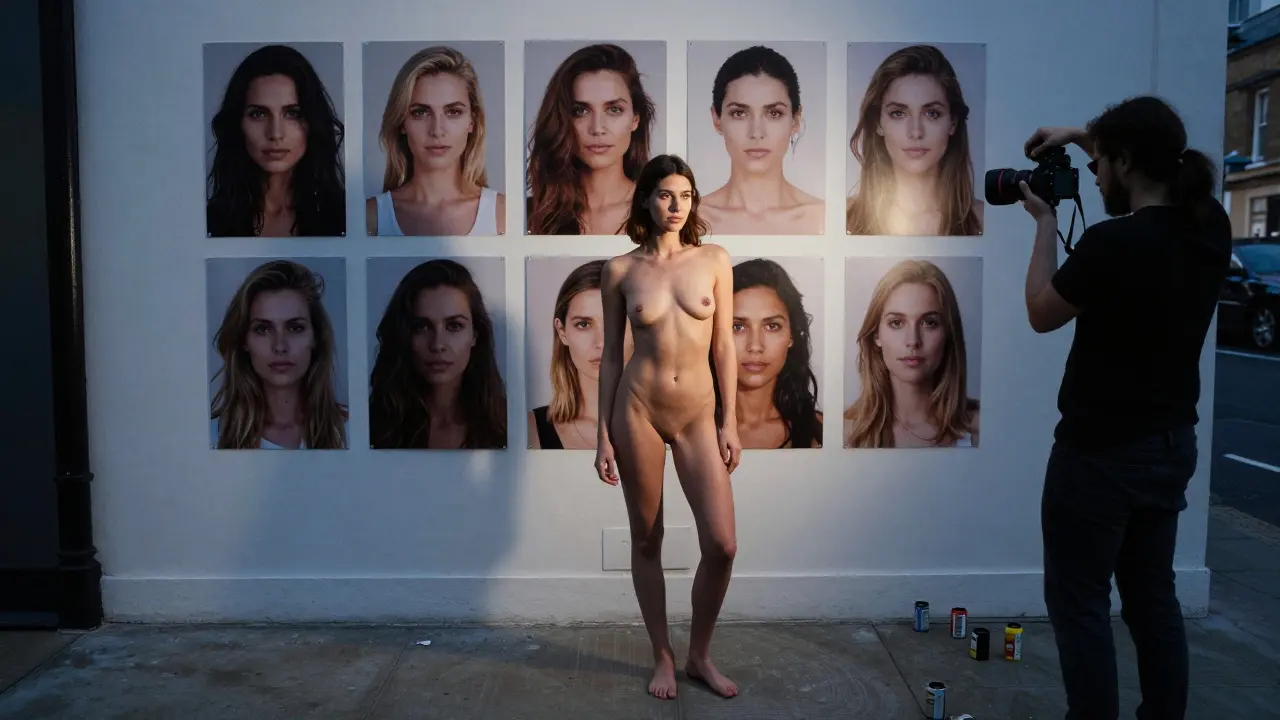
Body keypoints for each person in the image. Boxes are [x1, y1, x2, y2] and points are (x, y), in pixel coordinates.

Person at [1017, 95, 1232, 719]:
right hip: (1169, 447)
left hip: (1098, 454)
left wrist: (1044, 222)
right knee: (1152, 599)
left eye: (1102, 162)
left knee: (1080, 605)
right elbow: (1142, 160)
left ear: (1127, 161)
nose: (1094, 174)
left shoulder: (1112, 243)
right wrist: (1084, 135)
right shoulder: (1209, 226)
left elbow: (1040, 312)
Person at [595, 154, 742, 700]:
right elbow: (611, 357)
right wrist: (603, 433)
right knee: (646, 538)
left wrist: (730, 421)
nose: (676, 206)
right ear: (646, 200)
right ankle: (662, 654)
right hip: (638, 409)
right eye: (664, 195)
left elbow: (724, 346)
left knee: (722, 544)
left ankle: (700, 655)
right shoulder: (620, 270)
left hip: (698, 413)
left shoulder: (714, 260)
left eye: (685, 195)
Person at [206, 44, 346, 237]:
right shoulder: (206, 224)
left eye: (293, 113)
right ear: (237, 123)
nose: (275, 133)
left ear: (313, 121)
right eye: (258, 114)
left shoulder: (347, 219)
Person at [365, 45, 505, 236]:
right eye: (420, 112)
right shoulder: (369, 217)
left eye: (453, 112)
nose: (437, 130)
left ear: (472, 122)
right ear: (402, 123)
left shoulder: (504, 215)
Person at [368, 259, 508, 449]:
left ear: (475, 335)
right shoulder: (367, 426)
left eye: (454, 326)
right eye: (421, 327)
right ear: (403, 334)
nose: (438, 345)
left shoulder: (512, 426)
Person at [210, 259, 348, 449]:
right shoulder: (211, 436)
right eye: (263, 329)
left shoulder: (354, 430)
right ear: (244, 340)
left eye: (295, 328)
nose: (280, 346)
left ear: (315, 337)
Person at [845, 44, 982, 236]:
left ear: (953, 123)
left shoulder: (984, 220)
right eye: (898, 113)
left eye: (932, 113)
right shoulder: (842, 218)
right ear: (878, 123)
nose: (916, 132)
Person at [843, 258, 979, 448]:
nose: (913, 341)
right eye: (897, 323)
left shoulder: (981, 430)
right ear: (876, 335)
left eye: (929, 322)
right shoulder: (845, 434)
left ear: (948, 333)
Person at [526, 43, 656, 235]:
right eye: (580, 111)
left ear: (635, 119)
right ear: (563, 120)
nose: (597, 128)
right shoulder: (529, 216)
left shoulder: (661, 213)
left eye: (614, 110)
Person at [699, 46, 824, 235]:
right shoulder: (692, 220)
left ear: (795, 120)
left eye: (774, 113)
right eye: (739, 113)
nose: (756, 133)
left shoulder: (823, 218)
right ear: (717, 120)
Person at [726, 258, 823, 448]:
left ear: (792, 335)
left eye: (772, 326)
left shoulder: (823, 432)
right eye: (737, 327)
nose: (755, 346)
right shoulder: (688, 433)